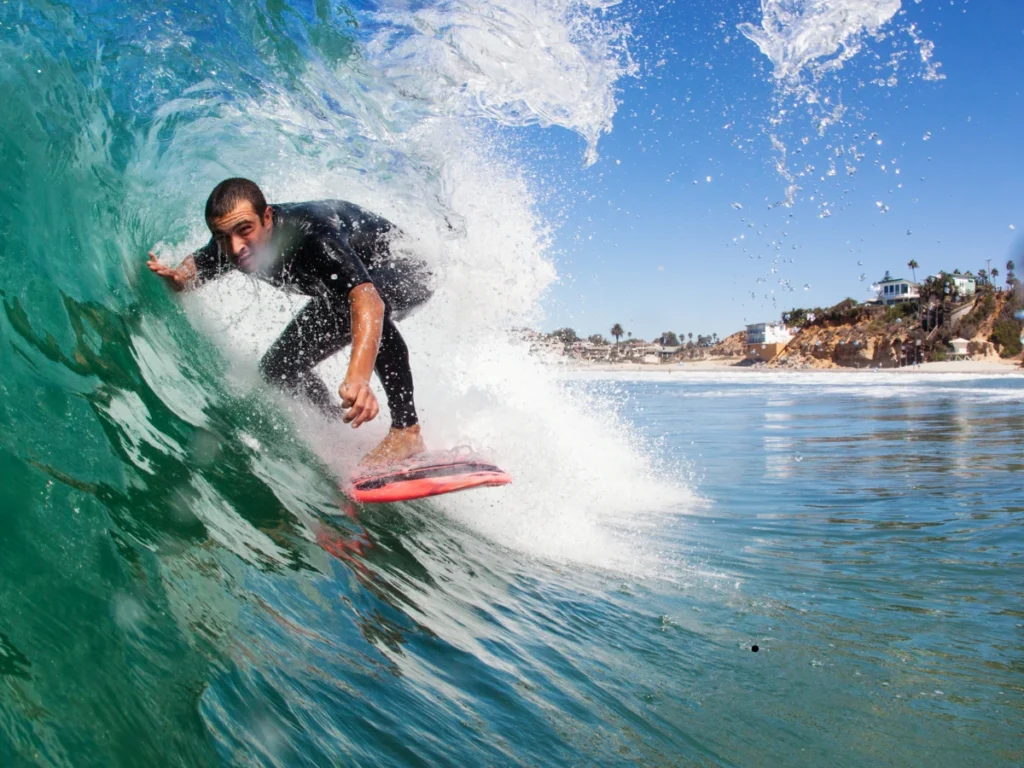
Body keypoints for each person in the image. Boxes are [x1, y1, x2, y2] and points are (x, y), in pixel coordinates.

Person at [147, 178, 431, 466]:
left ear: (267, 217)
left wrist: (358, 377)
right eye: (222, 237)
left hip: (408, 269)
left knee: (360, 304)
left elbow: (367, 301)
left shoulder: (314, 238)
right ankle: (340, 427)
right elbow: (199, 265)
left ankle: (407, 430)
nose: (235, 248)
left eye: (245, 230)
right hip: (353, 292)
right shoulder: (234, 240)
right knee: (278, 369)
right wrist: (179, 277)